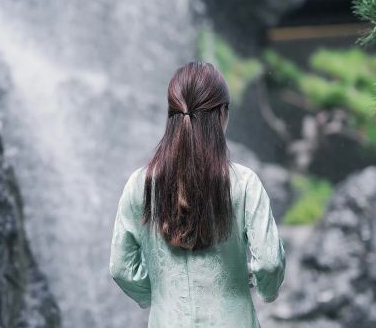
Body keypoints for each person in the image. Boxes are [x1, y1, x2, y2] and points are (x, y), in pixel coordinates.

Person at [109, 61, 286, 328]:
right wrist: (265, 290)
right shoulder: (245, 183)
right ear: (222, 114)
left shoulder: (139, 184)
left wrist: (158, 293)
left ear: (171, 115)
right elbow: (270, 263)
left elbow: (121, 267)